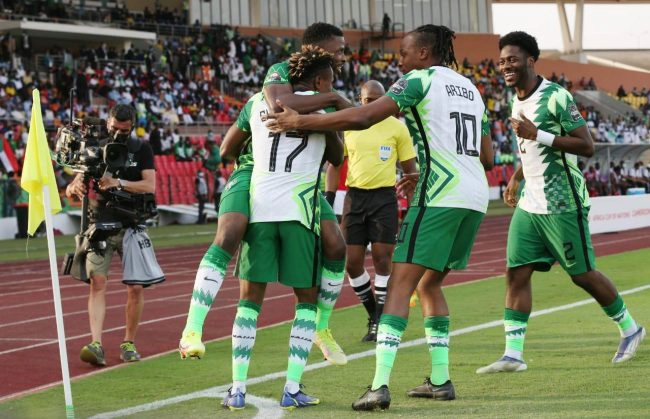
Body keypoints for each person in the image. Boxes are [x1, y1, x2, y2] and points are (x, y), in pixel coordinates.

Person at [267, 24, 493, 410]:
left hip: (439, 195)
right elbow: (486, 156)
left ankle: (379, 386)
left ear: (423, 53)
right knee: (430, 285)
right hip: (474, 196)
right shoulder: (471, 88)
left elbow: (363, 118)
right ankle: (440, 381)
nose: (399, 60)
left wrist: (300, 121)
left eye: (404, 52)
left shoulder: (418, 80)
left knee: (400, 286)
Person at [178, 22, 351, 366]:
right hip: (257, 171)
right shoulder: (280, 72)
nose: (344, 56)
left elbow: (337, 153)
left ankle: (322, 328)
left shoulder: (323, 89)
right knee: (231, 231)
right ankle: (192, 329)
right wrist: (332, 102)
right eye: (339, 50)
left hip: (300, 180)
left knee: (336, 244)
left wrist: (329, 113)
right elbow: (259, 120)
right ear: (317, 50)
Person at [476, 31, 644, 375]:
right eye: (502, 61)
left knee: (582, 275)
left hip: (562, 200)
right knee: (516, 272)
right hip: (530, 203)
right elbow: (531, 149)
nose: (505, 66)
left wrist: (537, 133)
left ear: (531, 61)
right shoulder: (516, 100)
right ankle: (513, 354)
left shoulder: (556, 96)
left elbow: (587, 146)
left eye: (512, 60)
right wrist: (517, 177)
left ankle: (630, 329)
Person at [221, 45, 343, 411]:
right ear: (320, 81)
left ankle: (237, 389)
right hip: (298, 214)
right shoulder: (321, 112)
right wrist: (329, 112)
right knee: (306, 303)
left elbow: (228, 150)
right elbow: (337, 157)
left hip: (260, 210)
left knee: (248, 302)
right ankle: (291, 387)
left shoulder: (259, 104)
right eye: (330, 81)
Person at [65, 104, 164, 366]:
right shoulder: (93, 148)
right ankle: (96, 343)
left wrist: (118, 183)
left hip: (131, 223)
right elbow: (73, 186)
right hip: (99, 223)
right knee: (97, 282)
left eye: (124, 129)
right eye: (114, 128)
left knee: (136, 287)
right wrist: (74, 187)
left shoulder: (141, 149)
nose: (118, 133)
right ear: (108, 122)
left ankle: (128, 343)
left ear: (132, 126)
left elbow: (149, 185)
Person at [325, 80, 417, 342]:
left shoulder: (397, 128)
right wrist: (328, 197)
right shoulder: (351, 124)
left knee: (382, 259)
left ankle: (379, 321)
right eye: (368, 100)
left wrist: (413, 208)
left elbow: (410, 172)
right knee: (352, 263)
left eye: (378, 100)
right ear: (360, 99)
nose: (374, 105)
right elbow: (335, 164)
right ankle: (375, 315)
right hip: (355, 199)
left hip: (384, 199)